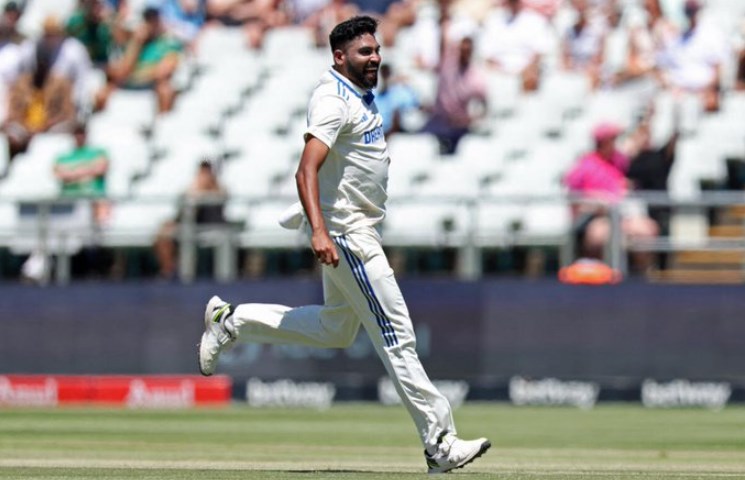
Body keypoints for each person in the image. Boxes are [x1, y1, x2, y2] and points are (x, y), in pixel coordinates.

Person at [197, 15, 490, 473]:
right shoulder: (333, 100)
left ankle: (231, 321)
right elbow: (306, 170)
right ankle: (440, 442)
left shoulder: (360, 96)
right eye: (364, 52)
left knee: (335, 329)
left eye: (376, 50)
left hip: (359, 228)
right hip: (347, 235)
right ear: (339, 56)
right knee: (397, 335)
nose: (375, 58)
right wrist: (319, 229)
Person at [564, 121, 659, 272]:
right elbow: (574, 196)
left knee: (646, 230)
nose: (615, 142)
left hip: (623, 214)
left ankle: (643, 274)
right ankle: (605, 275)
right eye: (612, 139)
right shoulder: (585, 164)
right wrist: (594, 201)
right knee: (601, 235)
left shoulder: (618, 160)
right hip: (597, 217)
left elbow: (635, 146)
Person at [95, 7, 182, 113]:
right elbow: (121, 72)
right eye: (148, 21)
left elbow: (161, 72)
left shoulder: (168, 43)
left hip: (150, 85)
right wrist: (136, 42)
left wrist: (136, 73)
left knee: (165, 89)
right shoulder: (133, 43)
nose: (151, 25)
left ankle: (162, 120)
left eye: (154, 21)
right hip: (129, 82)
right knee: (101, 92)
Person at [154, 159, 226, 279]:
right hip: (188, 225)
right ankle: (169, 271)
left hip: (208, 227)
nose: (205, 176)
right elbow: (184, 212)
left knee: (187, 236)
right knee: (164, 234)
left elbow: (221, 202)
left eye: (207, 173)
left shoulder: (218, 189)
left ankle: (184, 274)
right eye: (202, 173)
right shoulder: (193, 188)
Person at [422, 33, 487, 154]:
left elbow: (483, 108)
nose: (463, 52)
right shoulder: (447, 66)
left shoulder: (476, 77)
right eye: (461, 49)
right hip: (439, 121)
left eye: (467, 50)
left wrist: (467, 119)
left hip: (461, 128)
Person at [53, 122, 111, 225]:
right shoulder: (64, 156)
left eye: (81, 133)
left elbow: (101, 168)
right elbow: (58, 173)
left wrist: (72, 173)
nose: (79, 136)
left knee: (101, 207)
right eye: (77, 133)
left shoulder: (99, 152)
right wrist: (88, 171)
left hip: (93, 200)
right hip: (69, 201)